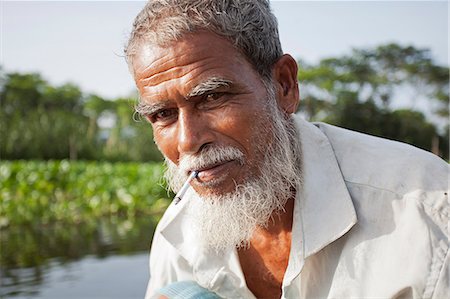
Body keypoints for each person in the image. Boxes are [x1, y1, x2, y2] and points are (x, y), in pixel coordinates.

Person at [124, 1, 449, 298]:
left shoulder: (428, 217)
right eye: (162, 114)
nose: (187, 141)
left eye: (213, 97)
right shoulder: (177, 237)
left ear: (284, 85)